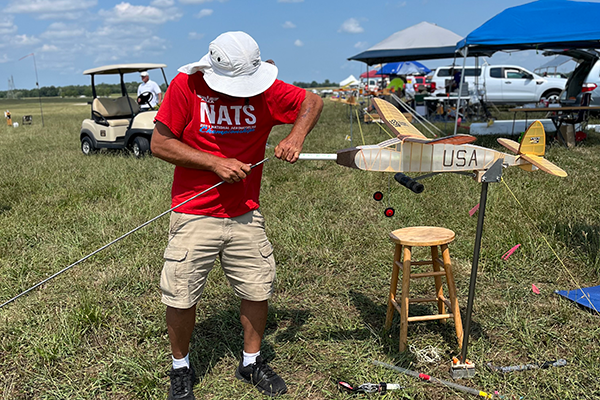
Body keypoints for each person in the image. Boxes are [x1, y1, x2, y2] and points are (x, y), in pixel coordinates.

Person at [151, 31, 323, 400]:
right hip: (194, 210)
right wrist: (215, 163)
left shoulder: (267, 89)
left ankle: (251, 361)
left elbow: (313, 100)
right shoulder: (187, 85)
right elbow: (160, 143)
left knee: (257, 287)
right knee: (180, 294)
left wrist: (296, 137)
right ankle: (180, 368)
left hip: (245, 212)